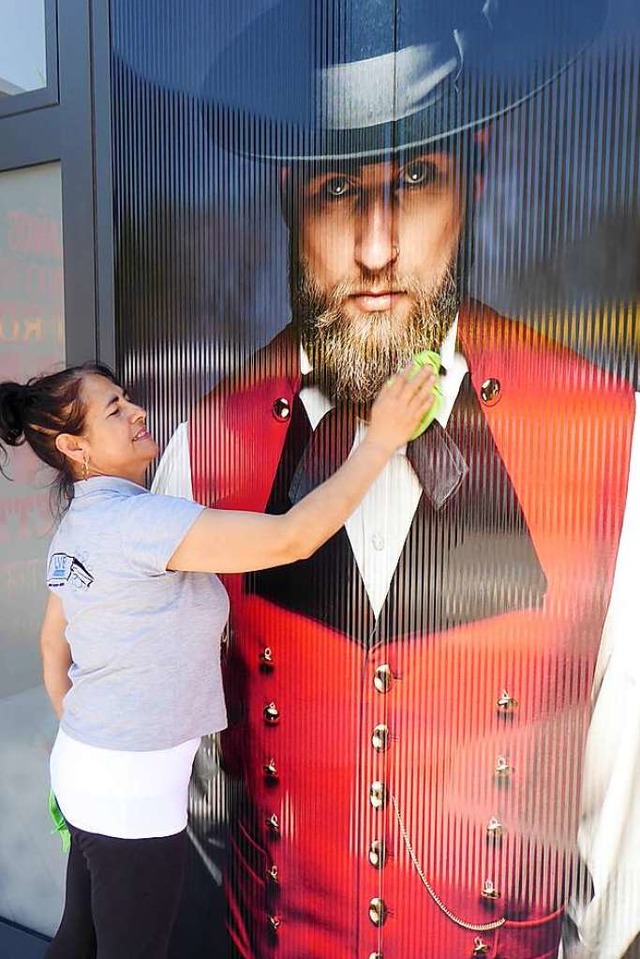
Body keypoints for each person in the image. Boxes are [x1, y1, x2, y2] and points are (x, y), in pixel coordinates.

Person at [152, 1, 640, 956]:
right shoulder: (201, 456)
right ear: (288, 196)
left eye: (415, 177)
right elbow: (185, 781)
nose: (376, 249)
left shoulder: (607, 446)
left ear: (480, 171)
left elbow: (626, 839)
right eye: (339, 189)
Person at [0, 359, 435, 959]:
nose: (138, 412)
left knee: (79, 937)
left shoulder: (78, 524)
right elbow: (292, 538)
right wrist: (381, 439)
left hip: (86, 768)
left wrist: (89, 739)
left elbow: (55, 645)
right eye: (114, 409)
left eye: (127, 398)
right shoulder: (140, 521)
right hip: (130, 793)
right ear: (77, 447)